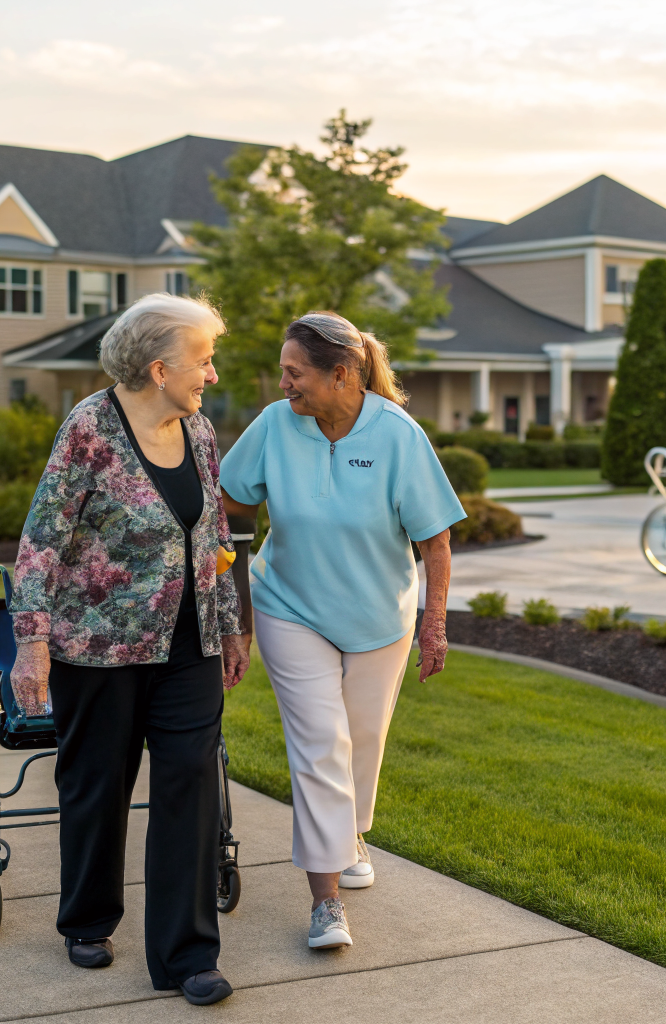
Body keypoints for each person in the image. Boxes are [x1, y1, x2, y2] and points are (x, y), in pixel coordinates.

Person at [9, 293, 250, 1007]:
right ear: (157, 367)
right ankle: (87, 918)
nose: (211, 374)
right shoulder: (89, 427)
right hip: (99, 647)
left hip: (189, 645)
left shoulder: (199, 430)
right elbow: (42, 539)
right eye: (201, 361)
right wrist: (32, 644)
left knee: (190, 786)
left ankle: (187, 956)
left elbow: (216, 538)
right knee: (97, 783)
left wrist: (231, 623)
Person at [219, 311, 463, 950]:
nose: (283, 385)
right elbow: (231, 504)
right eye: (283, 371)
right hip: (289, 606)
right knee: (319, 744)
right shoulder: (276, 425)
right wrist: (237, 612)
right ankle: (325, 902)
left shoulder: (398, 436)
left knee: (362, 737)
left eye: (294, 373)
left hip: (379, 616)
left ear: (342, 374)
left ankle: (350, 833)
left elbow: (435, 540)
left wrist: (433, 627)